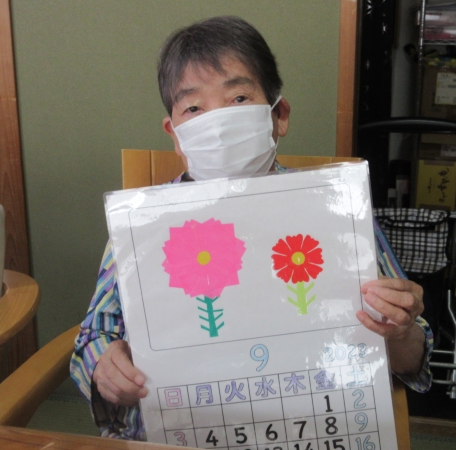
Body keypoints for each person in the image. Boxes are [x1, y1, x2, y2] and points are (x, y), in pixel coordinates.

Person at [70, 15, 433, 441]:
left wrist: (401, 330)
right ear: (175, 135)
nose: (218, 124)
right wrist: (105, 365)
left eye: (239, 98)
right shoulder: (143, 225)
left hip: (312, 430)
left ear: (279, 116)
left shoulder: (336, 211)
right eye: (193, 108)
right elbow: (94, 334)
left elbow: (411, 354)